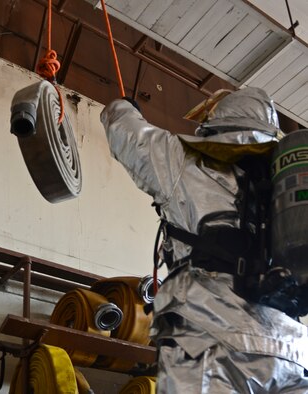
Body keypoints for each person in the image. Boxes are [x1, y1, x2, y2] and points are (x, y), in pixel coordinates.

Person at [100, 87, 308, 393]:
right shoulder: (283, 187)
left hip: (209, 339)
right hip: (294, 352)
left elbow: (126, 134)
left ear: (216, 126)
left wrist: (125, 106)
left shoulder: (186, 160)